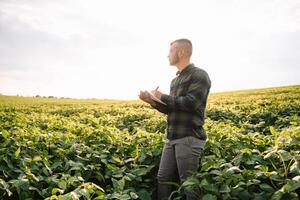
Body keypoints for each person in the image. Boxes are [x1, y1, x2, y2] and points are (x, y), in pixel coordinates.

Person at [139, 38, 211, 200]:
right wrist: (152, 101)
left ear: (182, 52)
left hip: (189, 137)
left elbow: (191, 104)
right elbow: (173, 108)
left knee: (189, 185)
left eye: (171, 51)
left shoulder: (199, 75)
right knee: (163, 178)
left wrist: (162, 95)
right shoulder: (175, 80)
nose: (167, 55)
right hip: (171, 137)